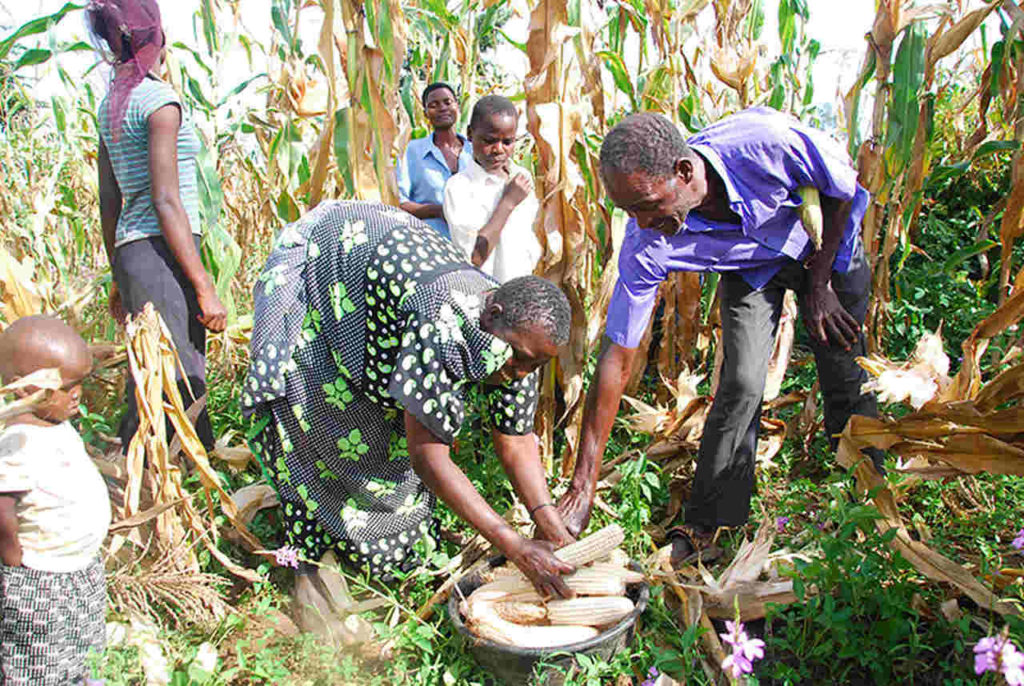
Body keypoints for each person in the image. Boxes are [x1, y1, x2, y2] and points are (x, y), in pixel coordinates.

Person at [556, 108, 881, 564]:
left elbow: (841, 188)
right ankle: (711, 522)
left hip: (825, 251)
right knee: (742, 384)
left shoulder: (764, 143)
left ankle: (868, 503)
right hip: (752, 269)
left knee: (844, 370)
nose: (643, 222)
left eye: (648, 205)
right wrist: (582, 485)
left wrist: (821, 283)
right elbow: (618, 354)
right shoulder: (645, 240)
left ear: (684, 172)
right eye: (629, 210)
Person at [243, 201, 577, 639]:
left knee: (388, 454)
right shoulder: (443, 320)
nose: (518, 372)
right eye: (518, 360)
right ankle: (310, 559)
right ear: (491, 315)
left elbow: (515, 438)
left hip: (382, 297)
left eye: (532, 367)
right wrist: (513, 545)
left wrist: (545, 516)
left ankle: (383, 558)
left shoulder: (518, 340)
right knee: (323, 430)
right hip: (325, 276)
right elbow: (428, 456)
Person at [89, 0, 226, 452]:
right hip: (163, 250)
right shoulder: (159, 101)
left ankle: (154, 466)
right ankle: (176, 473)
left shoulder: (111, 103)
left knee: (148, 365)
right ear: (155, 38)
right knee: (181, 367)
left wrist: (118, 272)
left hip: (133, 251)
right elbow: (168, 201)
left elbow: (111, 201)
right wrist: (203, 284)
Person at [0, 316, 111, 685]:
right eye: (66, 387)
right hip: (40, 579)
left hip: (81, 570)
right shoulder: (17, 441)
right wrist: (15, 560)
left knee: (84, 647)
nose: (77, 394)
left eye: (80, 384)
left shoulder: (57, 424)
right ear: (23, 390)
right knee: (39, 662)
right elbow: (3, 509)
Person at [444, 95, 553, 282]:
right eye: (489, 141)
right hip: (482, 296)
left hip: (520, 291)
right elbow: (474, 257)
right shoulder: (459, 187)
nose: (498, 149)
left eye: (507, 142)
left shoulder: (521, 177)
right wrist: (508, 202)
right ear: (470, 134)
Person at [396, 82, 474, 239]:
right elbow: (399, 204)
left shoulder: (475, 152)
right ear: (425, 113)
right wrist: (439, 211)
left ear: (457, 106)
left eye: (447, 102)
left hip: (472, 246)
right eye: (434, 105)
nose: (442, 108)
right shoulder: (411, 151)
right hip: (428, 246)